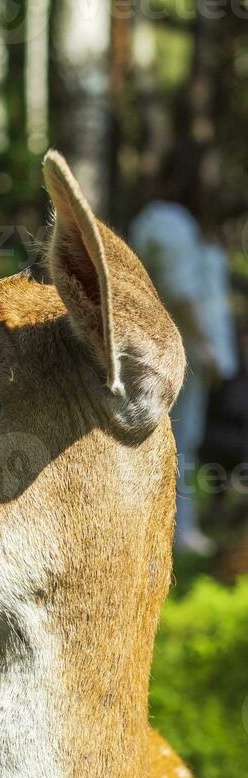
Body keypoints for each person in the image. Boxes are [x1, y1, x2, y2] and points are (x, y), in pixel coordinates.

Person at [130, 201, 239, 556]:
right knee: (177, 438)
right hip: (179, 352)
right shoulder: (172, 221)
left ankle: (174, 528)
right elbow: (181, 292)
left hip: (178, 348)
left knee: (180, 438)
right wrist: (205, 346)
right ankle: (175, 531)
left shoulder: (167, 219)